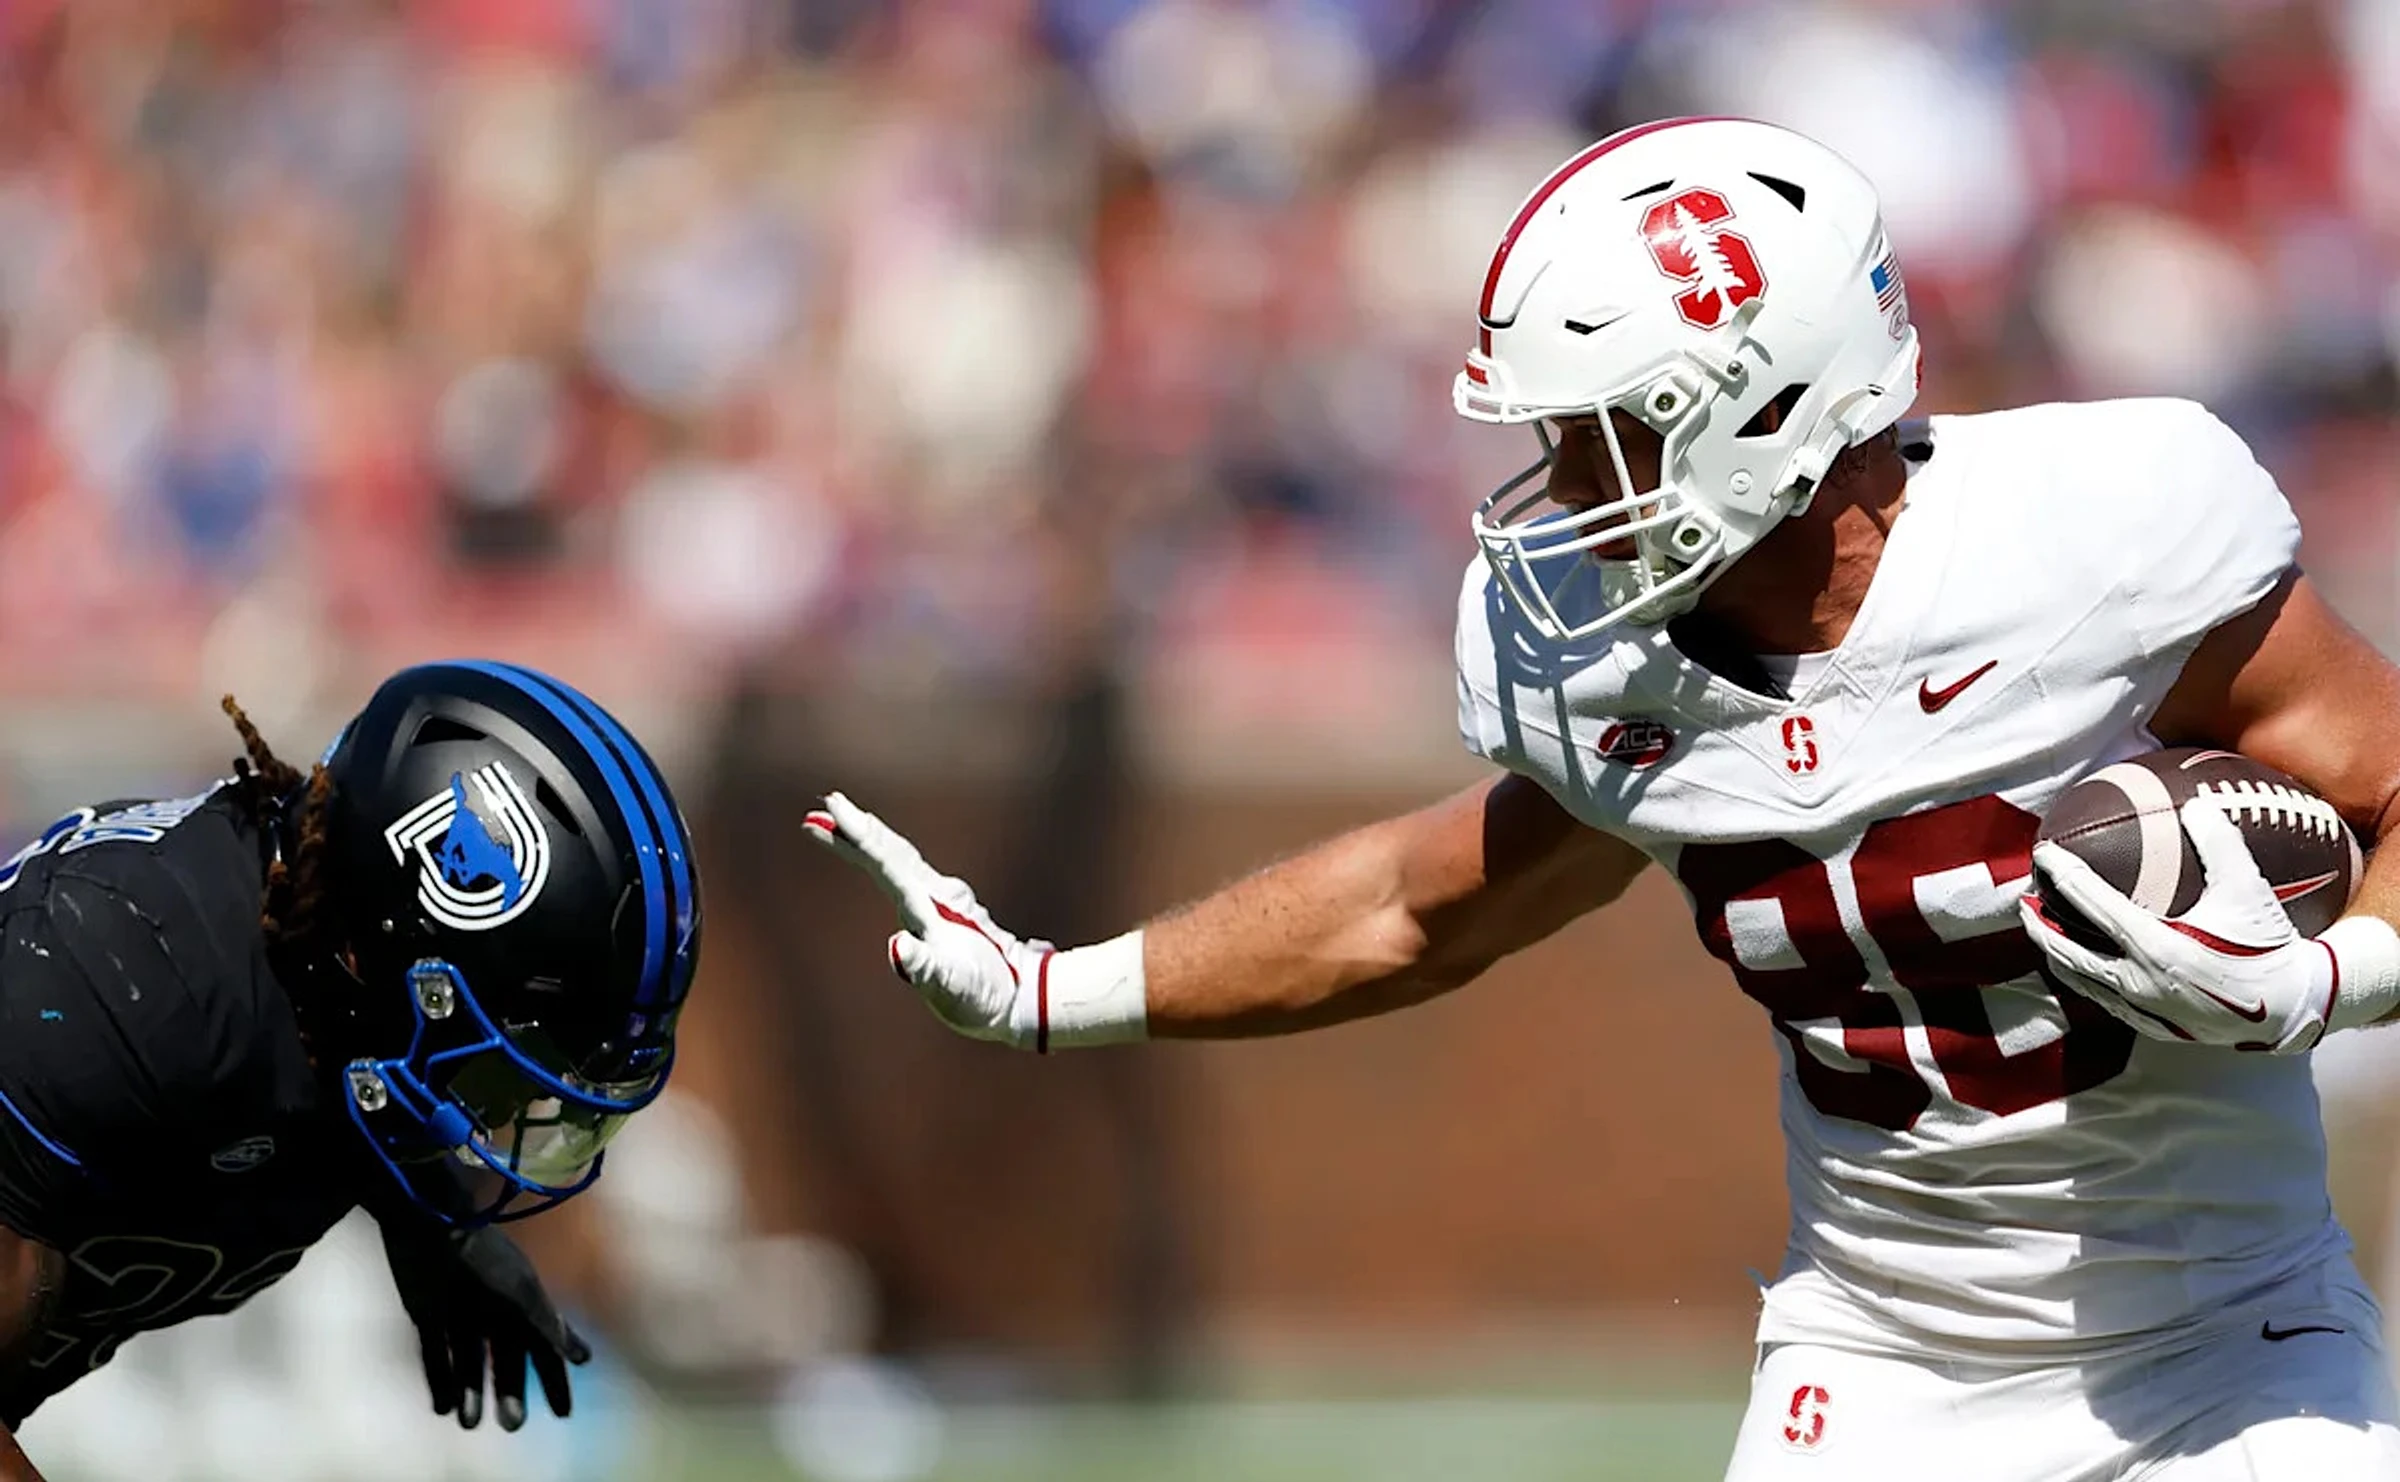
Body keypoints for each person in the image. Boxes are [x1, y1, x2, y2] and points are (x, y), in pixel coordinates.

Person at [807, 116, 2400, 1478]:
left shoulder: (2105, 532)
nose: (1563, 493)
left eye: (1601, 440)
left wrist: (2331, 979)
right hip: (1883, 1368)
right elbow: (1417, 904)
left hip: (2233, 1337)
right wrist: (1050, 989)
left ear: (1765, 412)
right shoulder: (1601, 664)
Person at [0, 661, 702, 1482]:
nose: (503, 1108)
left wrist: (430, 1220)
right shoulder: (112, 993)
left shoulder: (330, 980)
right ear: (394, 951)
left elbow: (348, 1051)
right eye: (507, 1061)